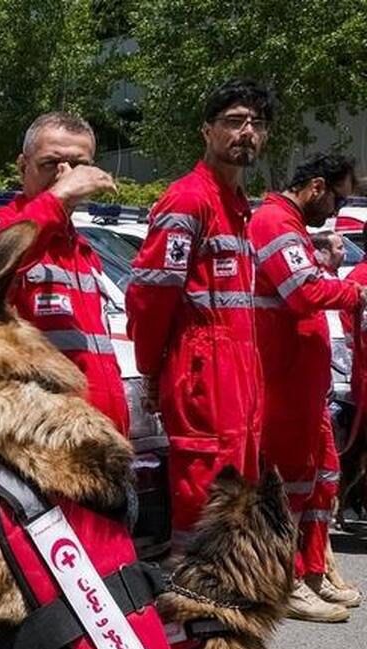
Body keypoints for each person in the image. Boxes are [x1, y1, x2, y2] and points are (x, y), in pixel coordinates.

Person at [126, 79, 273, 558]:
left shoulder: (240, 209)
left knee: (237, 488)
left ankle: (222, 592)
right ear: (206, 131)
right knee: (204, 488)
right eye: (233, 122)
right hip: (203, 370)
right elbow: (150, 296)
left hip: (240, 371)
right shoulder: (189, 200)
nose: (246, 132)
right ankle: (191, 600)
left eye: (256, 124)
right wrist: (150, 368)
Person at [0, 112, 128, 434]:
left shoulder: (82, 250)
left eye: (79, 165)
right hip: (40, 437)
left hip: (98, 435)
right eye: (51, 164)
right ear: (23, 166)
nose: (66, 175)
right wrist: (58, 197)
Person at [249, 152, 365, 623]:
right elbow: (304, 293)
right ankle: (284, 580)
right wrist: (355, 291)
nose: (335, 211)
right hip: (282, 379)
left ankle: (310, 570)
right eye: (336, 198)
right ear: (316, 186)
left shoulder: (291, 226)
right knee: (288, 484)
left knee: (320, 479)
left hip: (304, 381)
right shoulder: (275, 222)